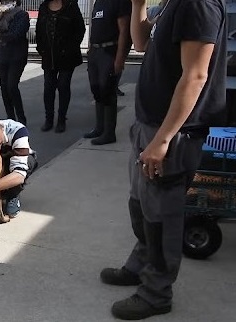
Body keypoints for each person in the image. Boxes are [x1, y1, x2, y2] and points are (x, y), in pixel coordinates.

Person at [100, 0, 227, 319]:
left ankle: (156, 293)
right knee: (140, 206)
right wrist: (138, 5)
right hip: (150, 124)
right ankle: (139, 264)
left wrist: (164, 139)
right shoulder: (172, 3)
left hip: (171, 133)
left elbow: (196, 75)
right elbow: (141, 43)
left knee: (161, 220)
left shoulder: (198, 4)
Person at [84, 0, 132, 145]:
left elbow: (124, 31)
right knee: (96, 89)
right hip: (95, 51)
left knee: (107, 90)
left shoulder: (120, 2)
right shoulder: (98, 2)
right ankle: (99, 128)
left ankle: (109, 133)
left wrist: (120, 59)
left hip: (109, 52)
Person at [35, 0, 86, 133]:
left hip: (67, 56)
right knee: (48, 87)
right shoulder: (44, 7)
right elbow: (39, 30)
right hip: (48, 56)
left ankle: (61, 119)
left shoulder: (70, 6)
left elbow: (80, 29)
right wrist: (41, 48)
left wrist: (70, 48)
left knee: (63, 86)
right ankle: (49, 119)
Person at [0, 0, 30, 125]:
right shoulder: (3, 15)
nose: (5, 3)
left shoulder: (22, 15)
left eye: (8, 1)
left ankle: (21, 117)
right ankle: (10, 117)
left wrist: (2, 36)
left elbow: (16, 33)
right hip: (3, 55)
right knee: (4, 88)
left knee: (12, 86)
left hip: (17, 55)